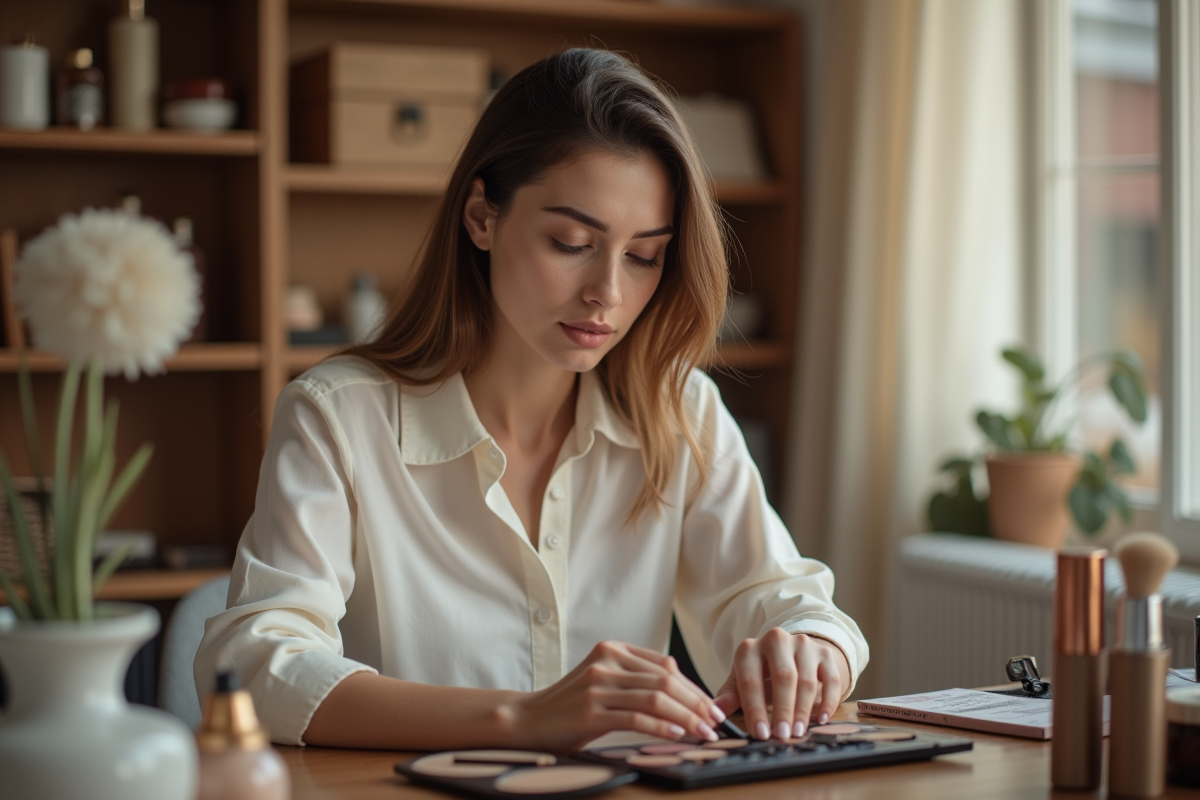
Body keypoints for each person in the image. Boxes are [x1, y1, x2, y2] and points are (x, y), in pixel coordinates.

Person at [195, 48, 867, 753]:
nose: (607, 292)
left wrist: (813, 649)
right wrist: (520, 718)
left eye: (644, 255)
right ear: (483, 217)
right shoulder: (337, 416)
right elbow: (254, 663)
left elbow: (781, 598)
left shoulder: (679, 411)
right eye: (571, 242)